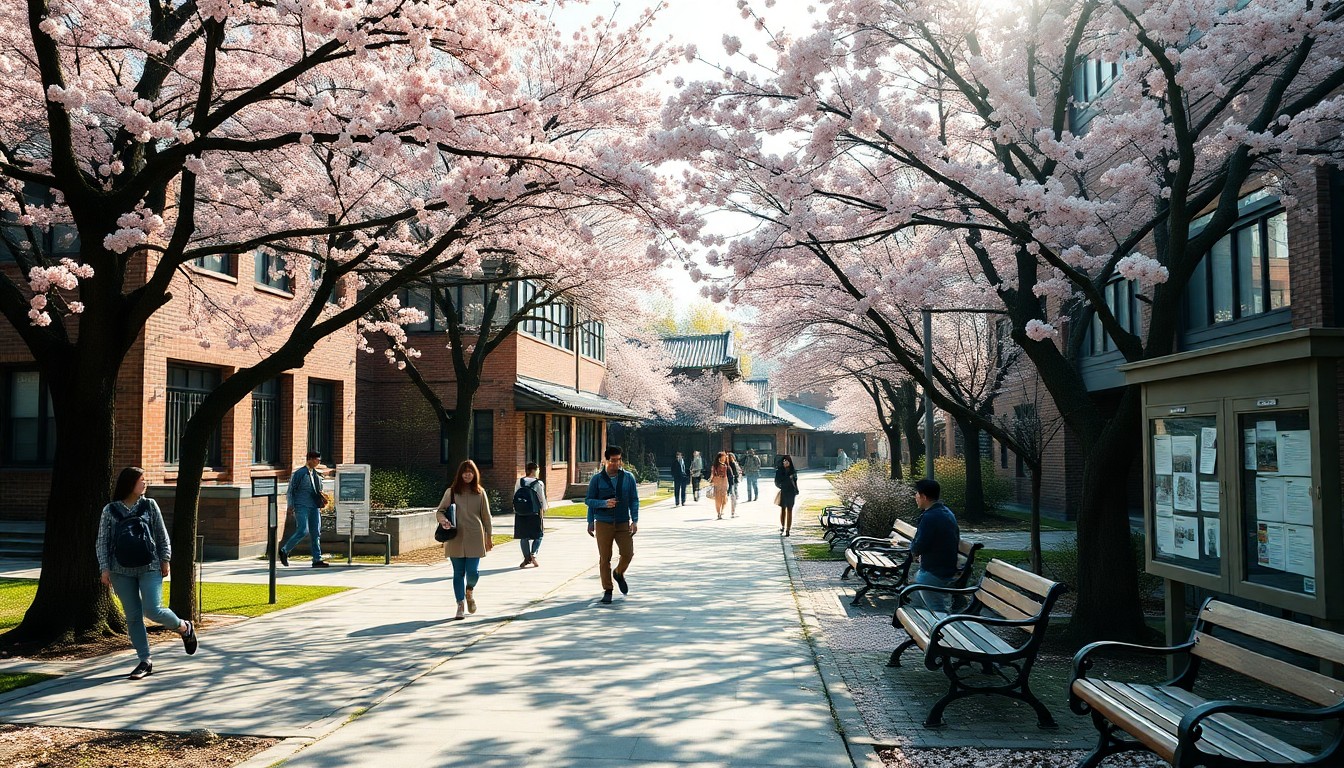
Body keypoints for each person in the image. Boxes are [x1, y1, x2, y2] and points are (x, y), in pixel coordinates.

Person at [97, 467, 198, 680]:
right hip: (119, 570)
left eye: (145, 480)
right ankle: (145, 660)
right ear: (129, 483)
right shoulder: (110, 510)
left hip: (150, 566)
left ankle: (184, 627)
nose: (145, 483)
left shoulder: (149, 505)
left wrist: (165, 559)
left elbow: (161, 534)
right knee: (133, 617)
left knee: (153, 609)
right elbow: (102, 541)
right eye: (141, 480)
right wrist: (104, 568)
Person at [437, 460, 493, 620]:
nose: (467, 475)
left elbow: (486, 517)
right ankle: (460, 604)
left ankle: (469, 590)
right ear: (460, 474)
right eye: (464, 472)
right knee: (458, 573)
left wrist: (489, 537)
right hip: (455, 537)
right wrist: (443, 521)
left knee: (473, 572)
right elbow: (440, 511)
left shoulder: (480, 493)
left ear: (475, 474)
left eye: (470, 472)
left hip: (475, 536)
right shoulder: (451, 492)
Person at [585, 445, 640, 605]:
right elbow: (589, 500)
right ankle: (608, 589)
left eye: (619, 460)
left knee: (628, 553)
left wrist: (635, 520)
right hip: (603, 522)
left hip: (623, 522)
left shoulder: (628, 477)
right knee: (605, 558)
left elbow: (634, 499)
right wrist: (595, 514)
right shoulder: (597, 479)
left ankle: (618, 573)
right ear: (606, 460)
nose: (616, 463)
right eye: (613, 460)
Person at [908, 478, 960, 613]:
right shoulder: (945, 511)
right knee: (914, 594)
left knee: (936, 610)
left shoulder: (930, 517)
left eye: (917, 494)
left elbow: (919, 545)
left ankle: (941, 625)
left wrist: (913, 549)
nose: (915, 497)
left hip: (934, 572)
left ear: (924, 497)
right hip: (943, 567)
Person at [279, 450, 329, 568]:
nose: (318, 462)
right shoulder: (300, 473)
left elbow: (318, 490)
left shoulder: (316, 474)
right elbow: (291, 490)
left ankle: (317, 559)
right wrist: (290, 505)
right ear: (310, 459)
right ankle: (285, 550)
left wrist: (322, 498)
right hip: (301, 505)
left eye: (319, 460)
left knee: (316, 532)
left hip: (314, 506)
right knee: (303, 530)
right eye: (316, 460)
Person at [514, 462, 547, 568]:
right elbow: (541, 498)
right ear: (534, 470)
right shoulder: (539, 483)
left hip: (521, 512)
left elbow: (515, 495)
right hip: (534, 512)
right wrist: (544, 509)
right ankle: (533, 554)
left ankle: (526, 558)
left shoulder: (519, 481)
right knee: (539, 535)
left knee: (523, 536)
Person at [775, 454, 799, 536]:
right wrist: (782, 485)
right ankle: (782, 526)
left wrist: (796, 488)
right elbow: (777, 482)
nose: (785, 462)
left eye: (787, 461)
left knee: (790, 509)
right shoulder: (779, 471)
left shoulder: (793, 471)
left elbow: (795, 481)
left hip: (791, 492)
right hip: (784, 491)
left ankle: (788, 529)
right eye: (784, 461)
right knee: (783, 509)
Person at [708, 451, 730, 520]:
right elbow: (712, 474)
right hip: (717, 481)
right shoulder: (715, 466)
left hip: (724, 481)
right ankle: (718, 513)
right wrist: (711, 481)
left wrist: (727, 483)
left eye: (725, 457)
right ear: (719, 458)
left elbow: (726, 475)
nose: (724, 459)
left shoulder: (725, 464)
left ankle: (722, 511)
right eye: (723, 457)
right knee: (718, 499)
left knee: (724, 498)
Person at [726, 452, 742, 518]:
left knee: (731, 496)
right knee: (734, 497)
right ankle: (733, 512)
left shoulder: (726, 464)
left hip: (727, 482)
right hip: (733, 482)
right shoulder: (733, 464)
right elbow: (736, 473)